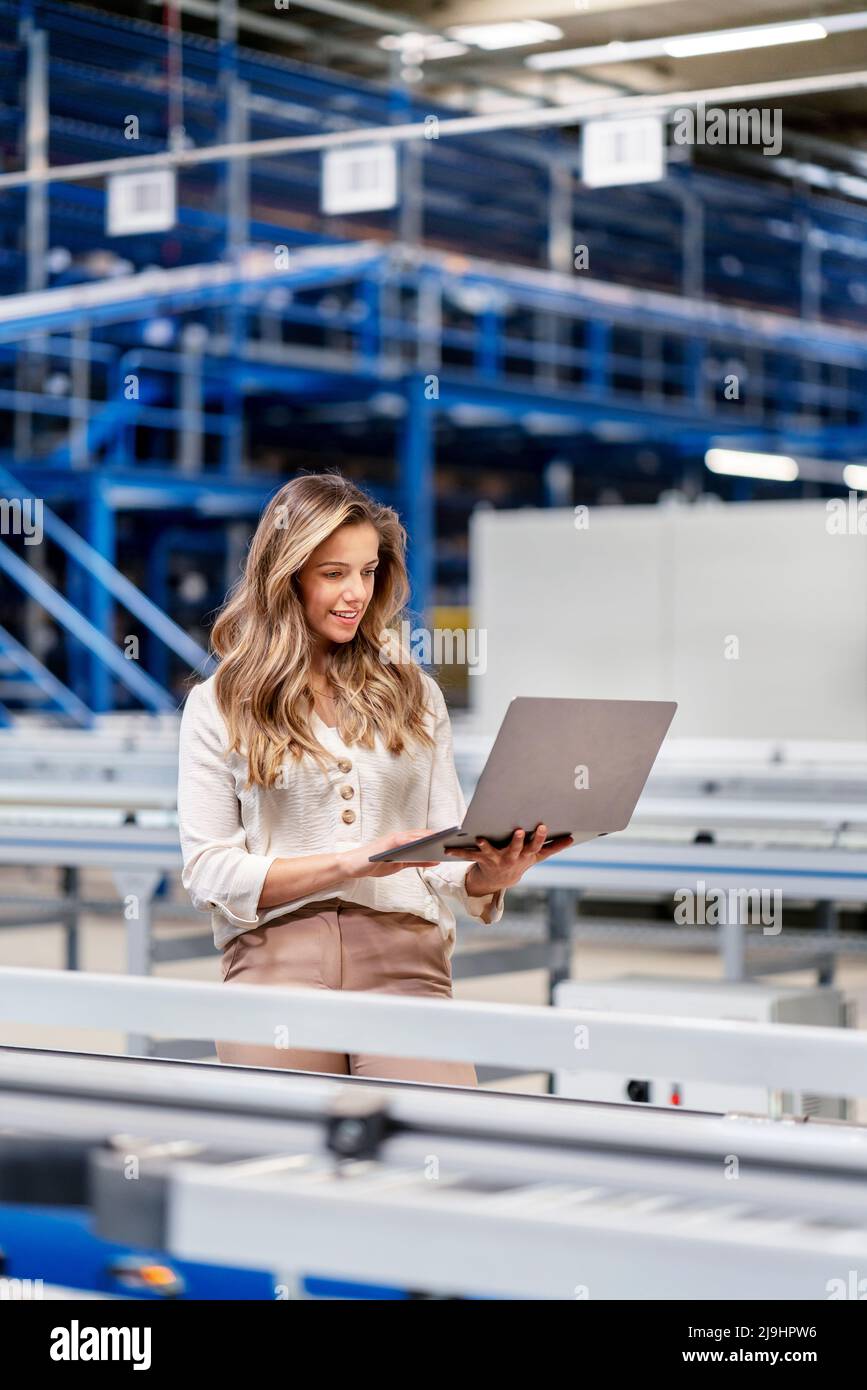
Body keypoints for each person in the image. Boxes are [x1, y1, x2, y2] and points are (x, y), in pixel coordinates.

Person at [177, 470, 573, 1085]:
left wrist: (485, 874)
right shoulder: (219, 704)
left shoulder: (414, 694)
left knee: (432, 1157)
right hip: (275, 959)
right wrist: (348, 863)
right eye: (334, 573)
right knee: (284, 1169)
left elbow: (443, 844)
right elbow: (208, 872)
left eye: (367, 571)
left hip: (403, 956)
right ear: (286, 577)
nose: (356, 593)